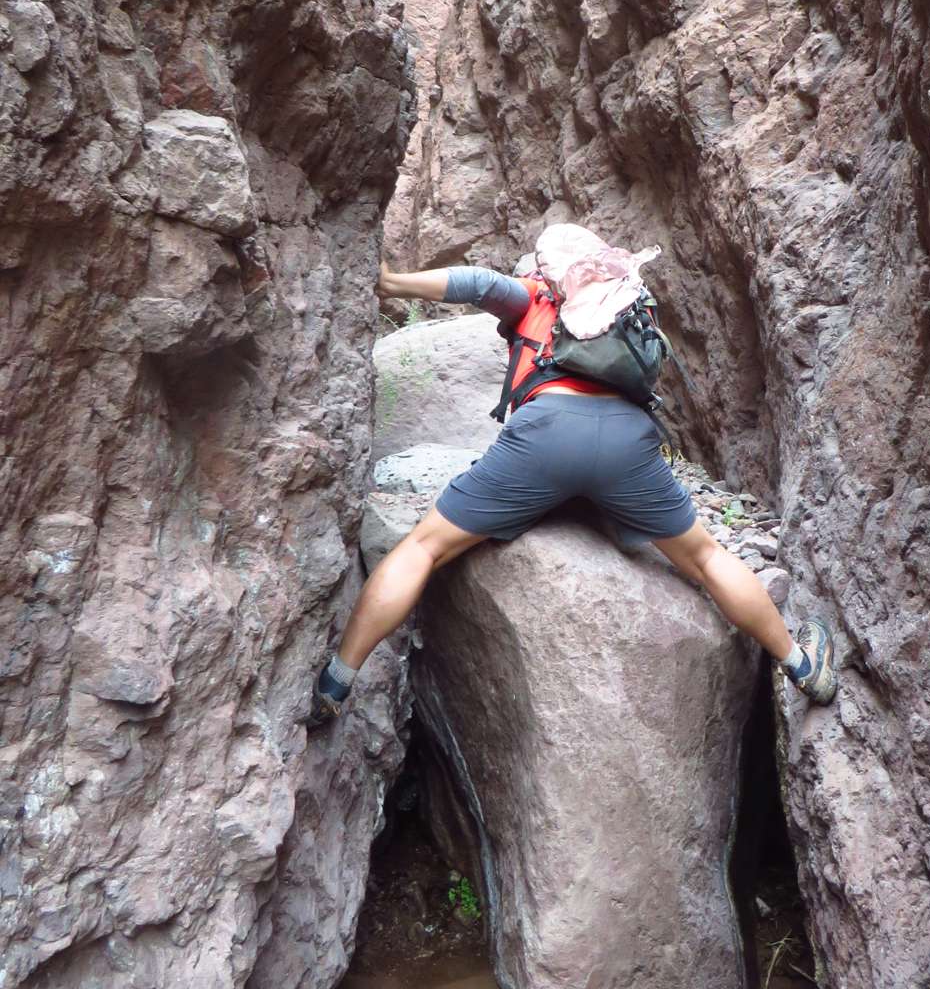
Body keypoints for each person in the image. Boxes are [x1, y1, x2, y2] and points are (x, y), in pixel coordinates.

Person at [308, 226, 836, 726]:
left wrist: (393, 282)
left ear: (547, 270)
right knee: (706, 557)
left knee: (422, 548)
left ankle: (336, 683)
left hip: (546, 434)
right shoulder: (628, 304)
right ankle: (801, 664)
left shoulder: (537, 296)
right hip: (627, 443)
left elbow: (476, 284)